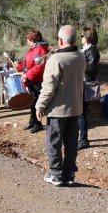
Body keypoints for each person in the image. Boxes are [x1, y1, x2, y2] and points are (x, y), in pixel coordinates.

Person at [35, 25, 86, 187]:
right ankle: (69, 174)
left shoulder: (56, 59)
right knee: (71, 143)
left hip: (58, 110)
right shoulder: (80, 56)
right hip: (75, 108)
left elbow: (48, 87)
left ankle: (56, 174)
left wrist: (40, 106)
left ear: (61, 40)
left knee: (54, 143)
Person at [15, 30, 49, 134]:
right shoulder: (34, 49)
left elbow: (39, 67)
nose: (27, 41)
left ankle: (38, 124)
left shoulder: (40, 49)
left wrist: (28, 75)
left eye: (28, 39)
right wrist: (19, 66)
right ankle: (32, 121)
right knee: (32, 102)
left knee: (36, 102)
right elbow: (28, 64)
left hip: (37, 80)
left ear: (32, 39)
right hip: (31, 80)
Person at [77, 27, 100, 150]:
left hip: (86, 84)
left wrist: (77, 66)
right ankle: (81, 138)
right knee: (80, 112)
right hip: (82, 82)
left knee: (81, 113)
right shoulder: (86, 50)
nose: (80, 38)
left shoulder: (92, 51)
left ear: (87, 37)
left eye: (82, 35)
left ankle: (84, 140)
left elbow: (90, 70)